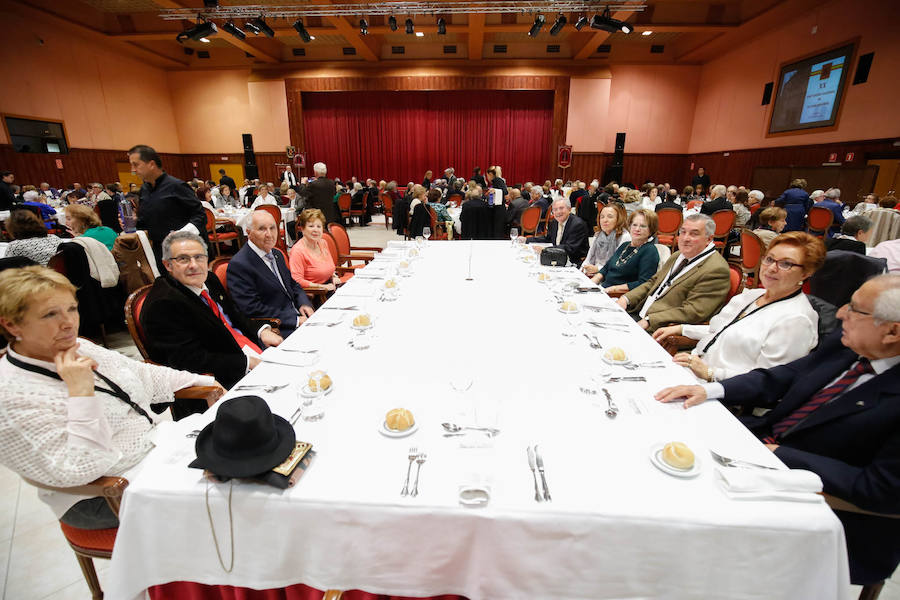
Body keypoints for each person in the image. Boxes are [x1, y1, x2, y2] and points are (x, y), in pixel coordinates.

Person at [654, 274, 900, 586]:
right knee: (662, 435)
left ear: (893, 331)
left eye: (854, 309)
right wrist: (712, 389)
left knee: (679, 521)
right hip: (761, 449)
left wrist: (782, 455)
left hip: (825, 509)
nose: (840, 314)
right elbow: (785, 375)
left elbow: (882, 490)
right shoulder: (849, 344)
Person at [0, 266, 220, 529]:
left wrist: (204, 381)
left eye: (71, 308)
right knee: (225, 494)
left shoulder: (78, 346)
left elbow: (142, 374)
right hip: (100, 494)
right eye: (50, 314)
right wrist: (81, 393)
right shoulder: (10, 397)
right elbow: (82, 467)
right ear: (11, 324)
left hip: (154, 450)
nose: (69, 323)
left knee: (246, 457)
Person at [653, 232, 824, 381]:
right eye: (769, 259)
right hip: (692, 369)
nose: (771, 268)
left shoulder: (797, 320)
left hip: (724, 395)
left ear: (806, 273)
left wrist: (711, 373)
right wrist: (681, 329)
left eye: (786, 264)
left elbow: (768, 381)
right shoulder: (753, 295)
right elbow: (723, 330)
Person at [142, 231, 282, 390]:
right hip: (222, 380)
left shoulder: (209, 279)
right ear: (168, 265)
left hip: (251, 351)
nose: (194, 265)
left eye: (199, 257)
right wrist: (248, 362)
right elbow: (188, 360)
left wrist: (261, 331)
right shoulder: (163, 305)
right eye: (183, 259)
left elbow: (234, 315)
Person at [616, 214, 731, 333]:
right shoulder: (678, 255)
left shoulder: (716, 269)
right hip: (638, 312)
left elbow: (693, 311)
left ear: (709, 239)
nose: (685, 238)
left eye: (694, 234)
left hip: (658, 328)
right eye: (683, 232)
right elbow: (653, 282)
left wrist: (650, 320)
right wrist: (626, 299)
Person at [227, 211, 314, 334]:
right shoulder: (240, 264)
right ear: (248, 232)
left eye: (272, 228)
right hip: (277, 328)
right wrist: (294, 320)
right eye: (262, 229)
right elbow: (252, 308)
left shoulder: (277, 254)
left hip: (300, 316)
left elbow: (292, 284)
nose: (269, 234)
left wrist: (304, 303)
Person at [129, 145, 206, 269]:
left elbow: (200, 216)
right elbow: (145, 221)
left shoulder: (177, 186)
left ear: (151, 164)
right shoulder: (144, 189)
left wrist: (180, 235)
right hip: (160, 251)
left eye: (136, 164)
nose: (133, 170)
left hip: (185, 250)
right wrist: (133, 222)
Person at [593, 209, 659, 293]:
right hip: (603, 289)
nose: (637, 229)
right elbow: (606, 268)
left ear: (651, 229)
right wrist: (592, 282)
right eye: (634, 225)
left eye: (643, 226)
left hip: (618, 296)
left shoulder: (650, 251)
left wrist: (613, 289)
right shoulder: (625, 245)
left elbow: (644, 283)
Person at [524, 197, 590, 266]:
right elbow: (548, 238)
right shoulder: (555, 222)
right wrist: (527, 240)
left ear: (569, 209)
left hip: (574, 261)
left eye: (561, 208)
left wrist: (545, 250)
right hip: (559, 257)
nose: (558, 212)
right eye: (555, 209)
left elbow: (569, 248)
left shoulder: (577, 224)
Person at [289, 209, 340, 293]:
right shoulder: (298, 251)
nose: (315, 230)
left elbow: (328, 267)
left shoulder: (323, 243)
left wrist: (333, 276)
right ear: (302, 229)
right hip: (316, 294)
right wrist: (322, 287)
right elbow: (297, 281)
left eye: (319, 226)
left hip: (330, 287)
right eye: (311, 226)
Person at [583, 203, 631, 278]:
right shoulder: (598, 235)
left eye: (610, 217)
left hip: (612, 277)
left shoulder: (625, 237)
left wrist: (597, 269)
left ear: (618, 219)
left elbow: (619, 265)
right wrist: (583, 269)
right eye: (602, 217)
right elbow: (588, 259)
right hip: (593, 274)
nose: (605, 220)